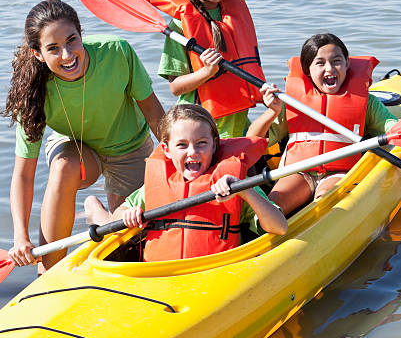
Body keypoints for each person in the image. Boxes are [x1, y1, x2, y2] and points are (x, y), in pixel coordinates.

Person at [4, 0, 165, 270]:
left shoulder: (117, 52)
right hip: (75, 149)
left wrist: (179, 160)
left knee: (126, 240)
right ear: (38, 54)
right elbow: (23, 174)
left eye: (71, 41)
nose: (67, 55)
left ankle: (95, 211)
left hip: (129, 147)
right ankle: (47, 273)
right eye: (53, 49)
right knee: (64, 166)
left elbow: (155, 114)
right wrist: (21, 237)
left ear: (81, 34)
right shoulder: (32, 91)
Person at [85, 104, 288, 261]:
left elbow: (279, 227)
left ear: (214, 145)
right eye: (182, 145)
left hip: (215, 270)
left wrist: (245, 192)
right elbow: (120, 214)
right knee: (113, 225)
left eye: (202, 143)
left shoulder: (234, 183)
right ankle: (93, 209)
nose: (193, 152)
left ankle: (94, 208)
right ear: (166, 150)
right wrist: (127, 214)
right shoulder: (157, 185)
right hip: (161, 272)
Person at [247, 33, 400, 215]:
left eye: (336, 61)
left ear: (347, 64)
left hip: (339, 173)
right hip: (299, 172)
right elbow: (252, 140)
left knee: (324, 203)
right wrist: (272, 111)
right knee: (269, 207)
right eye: (320, 63)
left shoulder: (367, 102)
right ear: (307, 69)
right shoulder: (291, 103)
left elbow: (394, 129)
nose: (329, 69)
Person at [144, 0, 266, 139]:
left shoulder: (234, 13)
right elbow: (175, 87)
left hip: (237, 117)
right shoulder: (180, 26)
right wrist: (207, 72)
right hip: (199, 126)